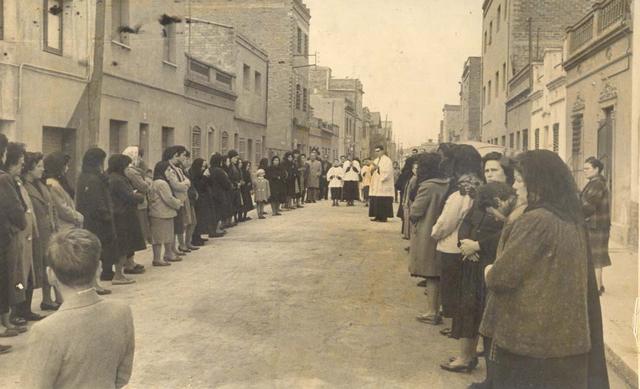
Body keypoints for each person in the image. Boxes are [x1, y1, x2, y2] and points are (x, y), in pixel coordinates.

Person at [480, 150, 605, 388]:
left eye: (518, 180)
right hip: (567, 345)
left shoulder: (536, 220)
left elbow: (501, 277)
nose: (514, 187)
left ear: (537, 184)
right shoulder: (571, 219)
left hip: (529, 344)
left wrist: (488, 271)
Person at [21, 228, 134, 389]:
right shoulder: (121, 312)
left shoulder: (46, 330)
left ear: (50, 275)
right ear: (99, 269)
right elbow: (122, 376)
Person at [441, 153, 515, 374]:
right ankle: (466, 356)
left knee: (487, 311)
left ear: (506, 173)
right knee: (468, 308)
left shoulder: (511, 199)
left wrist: (479, 246)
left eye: (495, 170)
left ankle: (483, 361)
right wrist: (465, 243)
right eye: (487, 170)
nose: (490, 174)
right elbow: (466, 222)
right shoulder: (481, 194)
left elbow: (508, 233)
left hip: (492, 262)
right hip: (471, 259)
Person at [423, 145, 482, 330]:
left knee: (453, 289)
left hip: (452, 246)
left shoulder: (460, 192)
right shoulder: (479, 186)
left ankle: (455, 327)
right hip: (468, 244)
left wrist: (435, 233)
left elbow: (447, 220)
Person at [408, 153, 449, 321]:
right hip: (444, 233)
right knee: (439, 272)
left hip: (427, 234)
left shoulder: (427, 186)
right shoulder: (448, 184)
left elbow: (416, 211)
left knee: (431, 274)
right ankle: (439, 307)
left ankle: (432, 312)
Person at [6, 143, 42, 325]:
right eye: (20, 161)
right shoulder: (8, 181)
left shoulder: (17, 181)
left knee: (27, 276)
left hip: (27, 237)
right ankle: (15, 312)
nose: (22, 164)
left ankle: (25, 309)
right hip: (17, 236)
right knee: (17, 278)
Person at [23, 152, 61, 312]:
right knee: (40, 266)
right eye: (38, 166)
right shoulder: (24, 186)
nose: (42, 169)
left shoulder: (41, 184)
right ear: (30, 168)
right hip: (36, 233)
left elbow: (51, 206)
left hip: (48, 230)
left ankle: (50, 298)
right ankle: (44, 300)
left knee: (49, 263)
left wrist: (55, 224)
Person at [75, 148, 115, 295]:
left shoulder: (85, 176)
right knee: (96, 253)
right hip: (97, 222)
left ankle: (94, 283)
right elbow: (97, 202)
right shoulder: (92, 179)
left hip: (91, 220)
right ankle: (94, 284)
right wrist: (106, 216)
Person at [0, 135, 25, 350]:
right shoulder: (3, 179)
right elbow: (15, 209)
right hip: (3, 240)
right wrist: (21, 222)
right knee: (4, 282)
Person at [581, 157, 612, 295]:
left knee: (595, 255)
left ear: (596, 169)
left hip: (596, 225)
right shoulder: (596, 182)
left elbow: (589, 205)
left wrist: (577, 212)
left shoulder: (597, 184)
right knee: (597, 255)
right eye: (584, 169)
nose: (584, 171)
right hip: (598, 224)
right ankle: (599, 285)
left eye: (587, 168)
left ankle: (597, 288)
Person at [149, 161, 184, 266]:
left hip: (163, 212)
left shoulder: (157, 182)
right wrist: (178, 203)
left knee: (167, 235)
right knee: (159, 238)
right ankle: (157, 258)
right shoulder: (162, 183)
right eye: (168, 170)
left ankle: (168, 254)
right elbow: (168, 198)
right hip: (161, 213)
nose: (170, 172)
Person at [122, 146, 150, 274]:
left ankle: (130, 261)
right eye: (138, 156)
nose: (140, 159)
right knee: (134, 235)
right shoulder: (131, 171)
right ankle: (129, 263)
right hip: (136, 205)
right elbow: (144, 186)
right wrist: (147, 183)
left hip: (137, 203)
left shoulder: (133, 169)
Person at [44, 152, 84, 232]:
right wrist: (79, 217)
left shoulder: (59, 182)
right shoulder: (52, 184)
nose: (67, 168)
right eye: (65, 165)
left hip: (67, 225)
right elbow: (62, 209)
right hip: (64, 227)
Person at [163, 146, 191, 255]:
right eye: (183, 155)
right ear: (176, 155)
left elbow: (186, 181)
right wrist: (185, 184)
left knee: (178, 225)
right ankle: (170, 250)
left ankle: (173, 249)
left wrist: (184, 184)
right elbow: (176, 185)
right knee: (173, 226)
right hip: (173, 199)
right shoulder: (168, 168)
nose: (184, 157)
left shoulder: (177, 168)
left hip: (180, 200)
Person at [189, 158, 212, 246]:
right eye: (202, 166)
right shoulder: (194, 174)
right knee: (197, 219)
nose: (203, 168)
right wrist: (205, 177)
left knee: (201, 219)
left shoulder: (199, 173)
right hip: (198, 200)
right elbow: (199, 186)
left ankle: (198, 236)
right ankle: (195, 238)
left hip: (203, 199)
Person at [369, 145, 395, 222]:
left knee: (383, 200)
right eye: (376, 151)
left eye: (378, 151)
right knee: (376, 199)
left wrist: (378, 168)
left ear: (382, 151)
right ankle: (377, 216)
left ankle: (383, 217)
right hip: (376, 183)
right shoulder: (376, 160)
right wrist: (372, 169)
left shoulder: (387, 160)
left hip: (384, 184)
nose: (377, 153)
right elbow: (371, 170)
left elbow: (387, 172)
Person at [208, 153, 232, 235]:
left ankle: (212, 230)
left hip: (210, 193)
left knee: (212, 212)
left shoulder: (209, 169)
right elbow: (226, 183)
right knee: (219, 212)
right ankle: (216, 229)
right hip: (219, 193)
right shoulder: (219, 171)